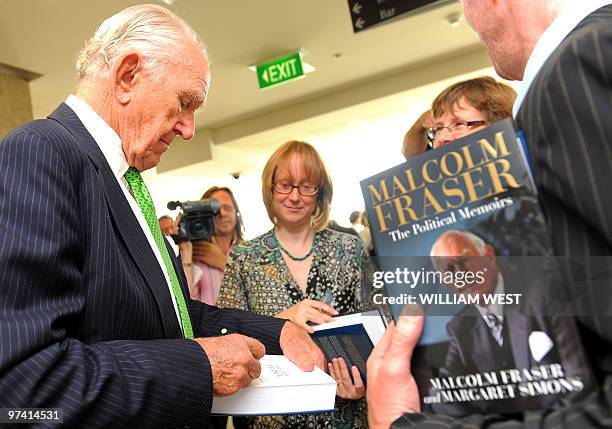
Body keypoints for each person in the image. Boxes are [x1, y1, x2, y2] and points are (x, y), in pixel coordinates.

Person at [0, 5, 323, 428]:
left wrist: (276, 332)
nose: (189, 129)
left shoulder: (127, 182)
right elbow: (25, 387)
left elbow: (174, 317)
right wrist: (199, 366)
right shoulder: (40, 152)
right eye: (186, 102)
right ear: (128, 76)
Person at [368, 1, 612, 428]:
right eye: (437, 130)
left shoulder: (575, 68)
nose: (445, 141)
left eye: (461, 125)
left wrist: (401, 423)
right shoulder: (461, 325)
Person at [217, 140, 371, 428]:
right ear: (271, 189)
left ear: (320, 192)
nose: (295, 196)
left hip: (343, 412)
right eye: (285, 185)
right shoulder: (244, 259)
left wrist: (363, 380)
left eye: (306, 186)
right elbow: (226, 340)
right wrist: (284, 320)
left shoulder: (349, 249)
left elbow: (378, 328)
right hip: (270, 417)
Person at [429, 230, 591, 416]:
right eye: (449, 271)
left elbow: (581, 381)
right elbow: (442, 398)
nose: (460, 275)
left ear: (489, 257)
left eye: (464, 260)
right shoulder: (460, 327)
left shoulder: (544, 292)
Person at [180, 186, 244, 305]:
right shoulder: (192, 254)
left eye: (227, 207)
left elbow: (260, 291)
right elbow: (183, 298)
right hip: (206, 323)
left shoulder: (250, 250)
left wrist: (223, 262)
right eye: (215, 209)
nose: (222, 213)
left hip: (245, 323)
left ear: (236, 212)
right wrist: (186, 255)